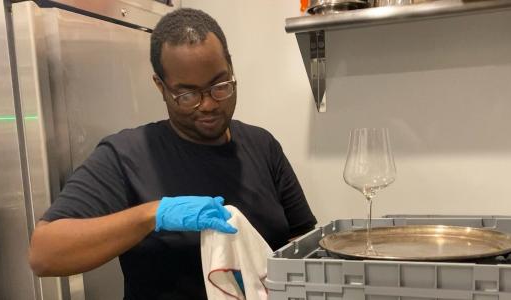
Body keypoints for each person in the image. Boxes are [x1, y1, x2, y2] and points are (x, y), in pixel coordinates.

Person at [28, 8, 317, 300]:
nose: (208, 105)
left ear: (230, 67)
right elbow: (44, 254)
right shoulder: (126, 156)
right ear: (160, 87)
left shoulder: (262, 145)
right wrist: (152, 215)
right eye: (187, 95)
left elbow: (302, 242)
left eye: (220, 86)